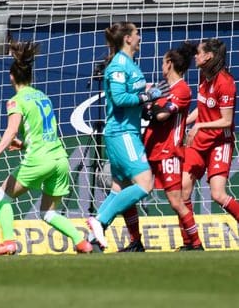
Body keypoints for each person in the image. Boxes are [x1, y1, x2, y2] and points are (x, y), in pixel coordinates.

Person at [0, 40, 93, 255]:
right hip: (60, 160)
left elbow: (11, 130)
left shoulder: (16, 100)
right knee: (48, 212)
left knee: (1, 197)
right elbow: (45, 134)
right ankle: (81, 241)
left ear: (11, 77)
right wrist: (24, 145)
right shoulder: (44, 97)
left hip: (40, 160)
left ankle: (8, 242)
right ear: (30, 77)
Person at [86, 21, 169, 249]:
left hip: (127, 132)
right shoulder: (118, 66)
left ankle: (91, 239)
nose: (140, 37)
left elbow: (133, 98)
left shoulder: (130, 64)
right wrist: (147, 97)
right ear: (128, 38)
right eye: (137, 33)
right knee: (145, 184)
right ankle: (99, 220)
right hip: (122, 134)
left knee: (119, 189)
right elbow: (120, 100)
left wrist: (147, 104)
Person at [121, 42, 202, 252]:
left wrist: (148, 105)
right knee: (127, 191)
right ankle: (135, 241)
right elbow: (151, 107)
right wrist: (147, 103)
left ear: (169, 64)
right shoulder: (162, 87)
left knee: (176, 201)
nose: (161, 66)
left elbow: (161, 114)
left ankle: (195, 244)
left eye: (163, 62)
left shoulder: (182, 89)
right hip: (150, 149)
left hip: (169, 153)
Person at [180, 38, 239, 249]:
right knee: (183, 189)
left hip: (219, 143)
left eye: (199, 52)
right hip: (199, 142)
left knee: (217, 194)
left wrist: (198, 127)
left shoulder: (226, 83)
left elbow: (226, 120)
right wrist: (182, 123)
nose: (195, 56)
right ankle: (191, 243)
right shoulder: (203, 76)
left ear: (209, 56)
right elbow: (202, 109)